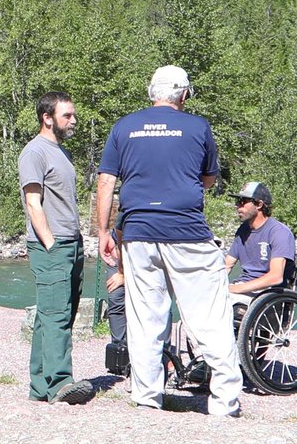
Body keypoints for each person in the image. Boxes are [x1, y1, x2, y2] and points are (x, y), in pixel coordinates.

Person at [92, 65, 243, 418]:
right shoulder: (198, 126)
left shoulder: (123, 126)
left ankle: (147, 397)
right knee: (209, 316)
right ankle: (224, 402)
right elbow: (207, 179)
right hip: (186, 231)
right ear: (184, 95)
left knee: (145, 318)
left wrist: (103, 232)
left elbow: (105, 181)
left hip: (139, 234)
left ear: (151, 92)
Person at [18, 92, 97, 405]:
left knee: (53, 314)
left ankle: (40, 385)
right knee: (56, 314)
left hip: (70, 242)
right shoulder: (34, 152)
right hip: (52, 245)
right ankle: (61, 382)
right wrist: (50, 244)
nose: (73, 120)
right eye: (67, 115)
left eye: (73, 115)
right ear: (47, 118)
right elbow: (32, 202)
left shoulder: (59, 152)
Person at [225, 182, 296, 297]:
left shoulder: (279, 232)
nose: (238, 206)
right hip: (243, 286)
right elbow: (226, 265)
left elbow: (275, 277)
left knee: (231, 307)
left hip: (267, 292)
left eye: (243, 202)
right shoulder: (243, 230)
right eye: (237, 202)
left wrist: (236, 289)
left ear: (259, 204)